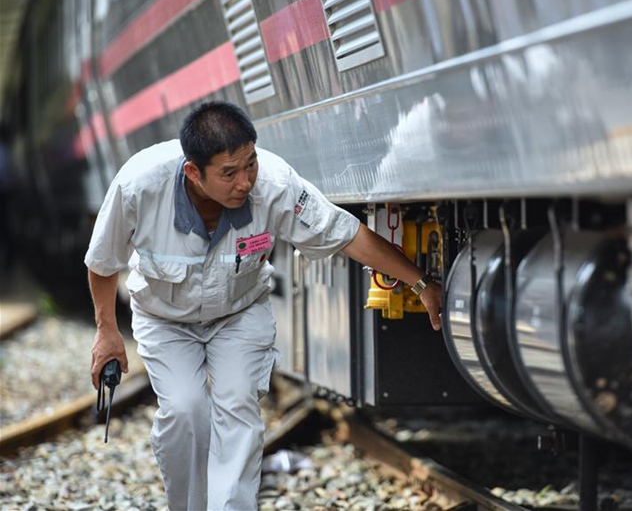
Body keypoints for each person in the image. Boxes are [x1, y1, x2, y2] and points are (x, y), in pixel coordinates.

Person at [85, 101, 442, 510]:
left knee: (238, 407)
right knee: (186, 411)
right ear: (193, 173)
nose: (245, 182)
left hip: (239, 312)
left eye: (250, 164)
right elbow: (102, 262)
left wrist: (420, 282)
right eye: (229, 173)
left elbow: (346, 234)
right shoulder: (138, 186)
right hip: (165, 320)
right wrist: (106, 331)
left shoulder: (275, 183)